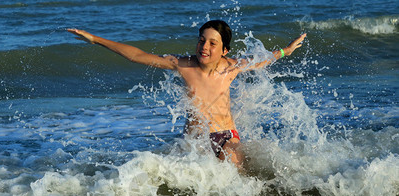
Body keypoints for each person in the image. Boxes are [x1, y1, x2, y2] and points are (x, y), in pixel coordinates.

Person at [67, 20, 306, 169]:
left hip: (226, 136)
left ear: (224, 50)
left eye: (213, 43)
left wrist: (286, 51)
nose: (204, 47)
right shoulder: (182, 65)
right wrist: (95, 39)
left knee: (234, 162)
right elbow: (137, 56)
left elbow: (261, 61)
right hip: (194, 140)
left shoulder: (230, 67)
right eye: (202, 40)